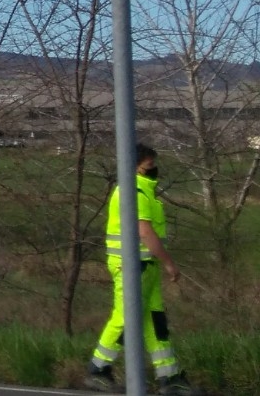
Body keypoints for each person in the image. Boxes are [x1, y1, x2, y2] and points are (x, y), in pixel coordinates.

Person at [84, 143, 201, 395]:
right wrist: (169, 262)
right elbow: (145, 232)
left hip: (145, 266)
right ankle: (98, 369)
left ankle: (170, 377)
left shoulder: (142, 191)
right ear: (135, 166)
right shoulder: (134, 192)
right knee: (126, 317)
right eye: (149, 164)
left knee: (154, 320)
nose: (154, 168)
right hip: (132, 266)